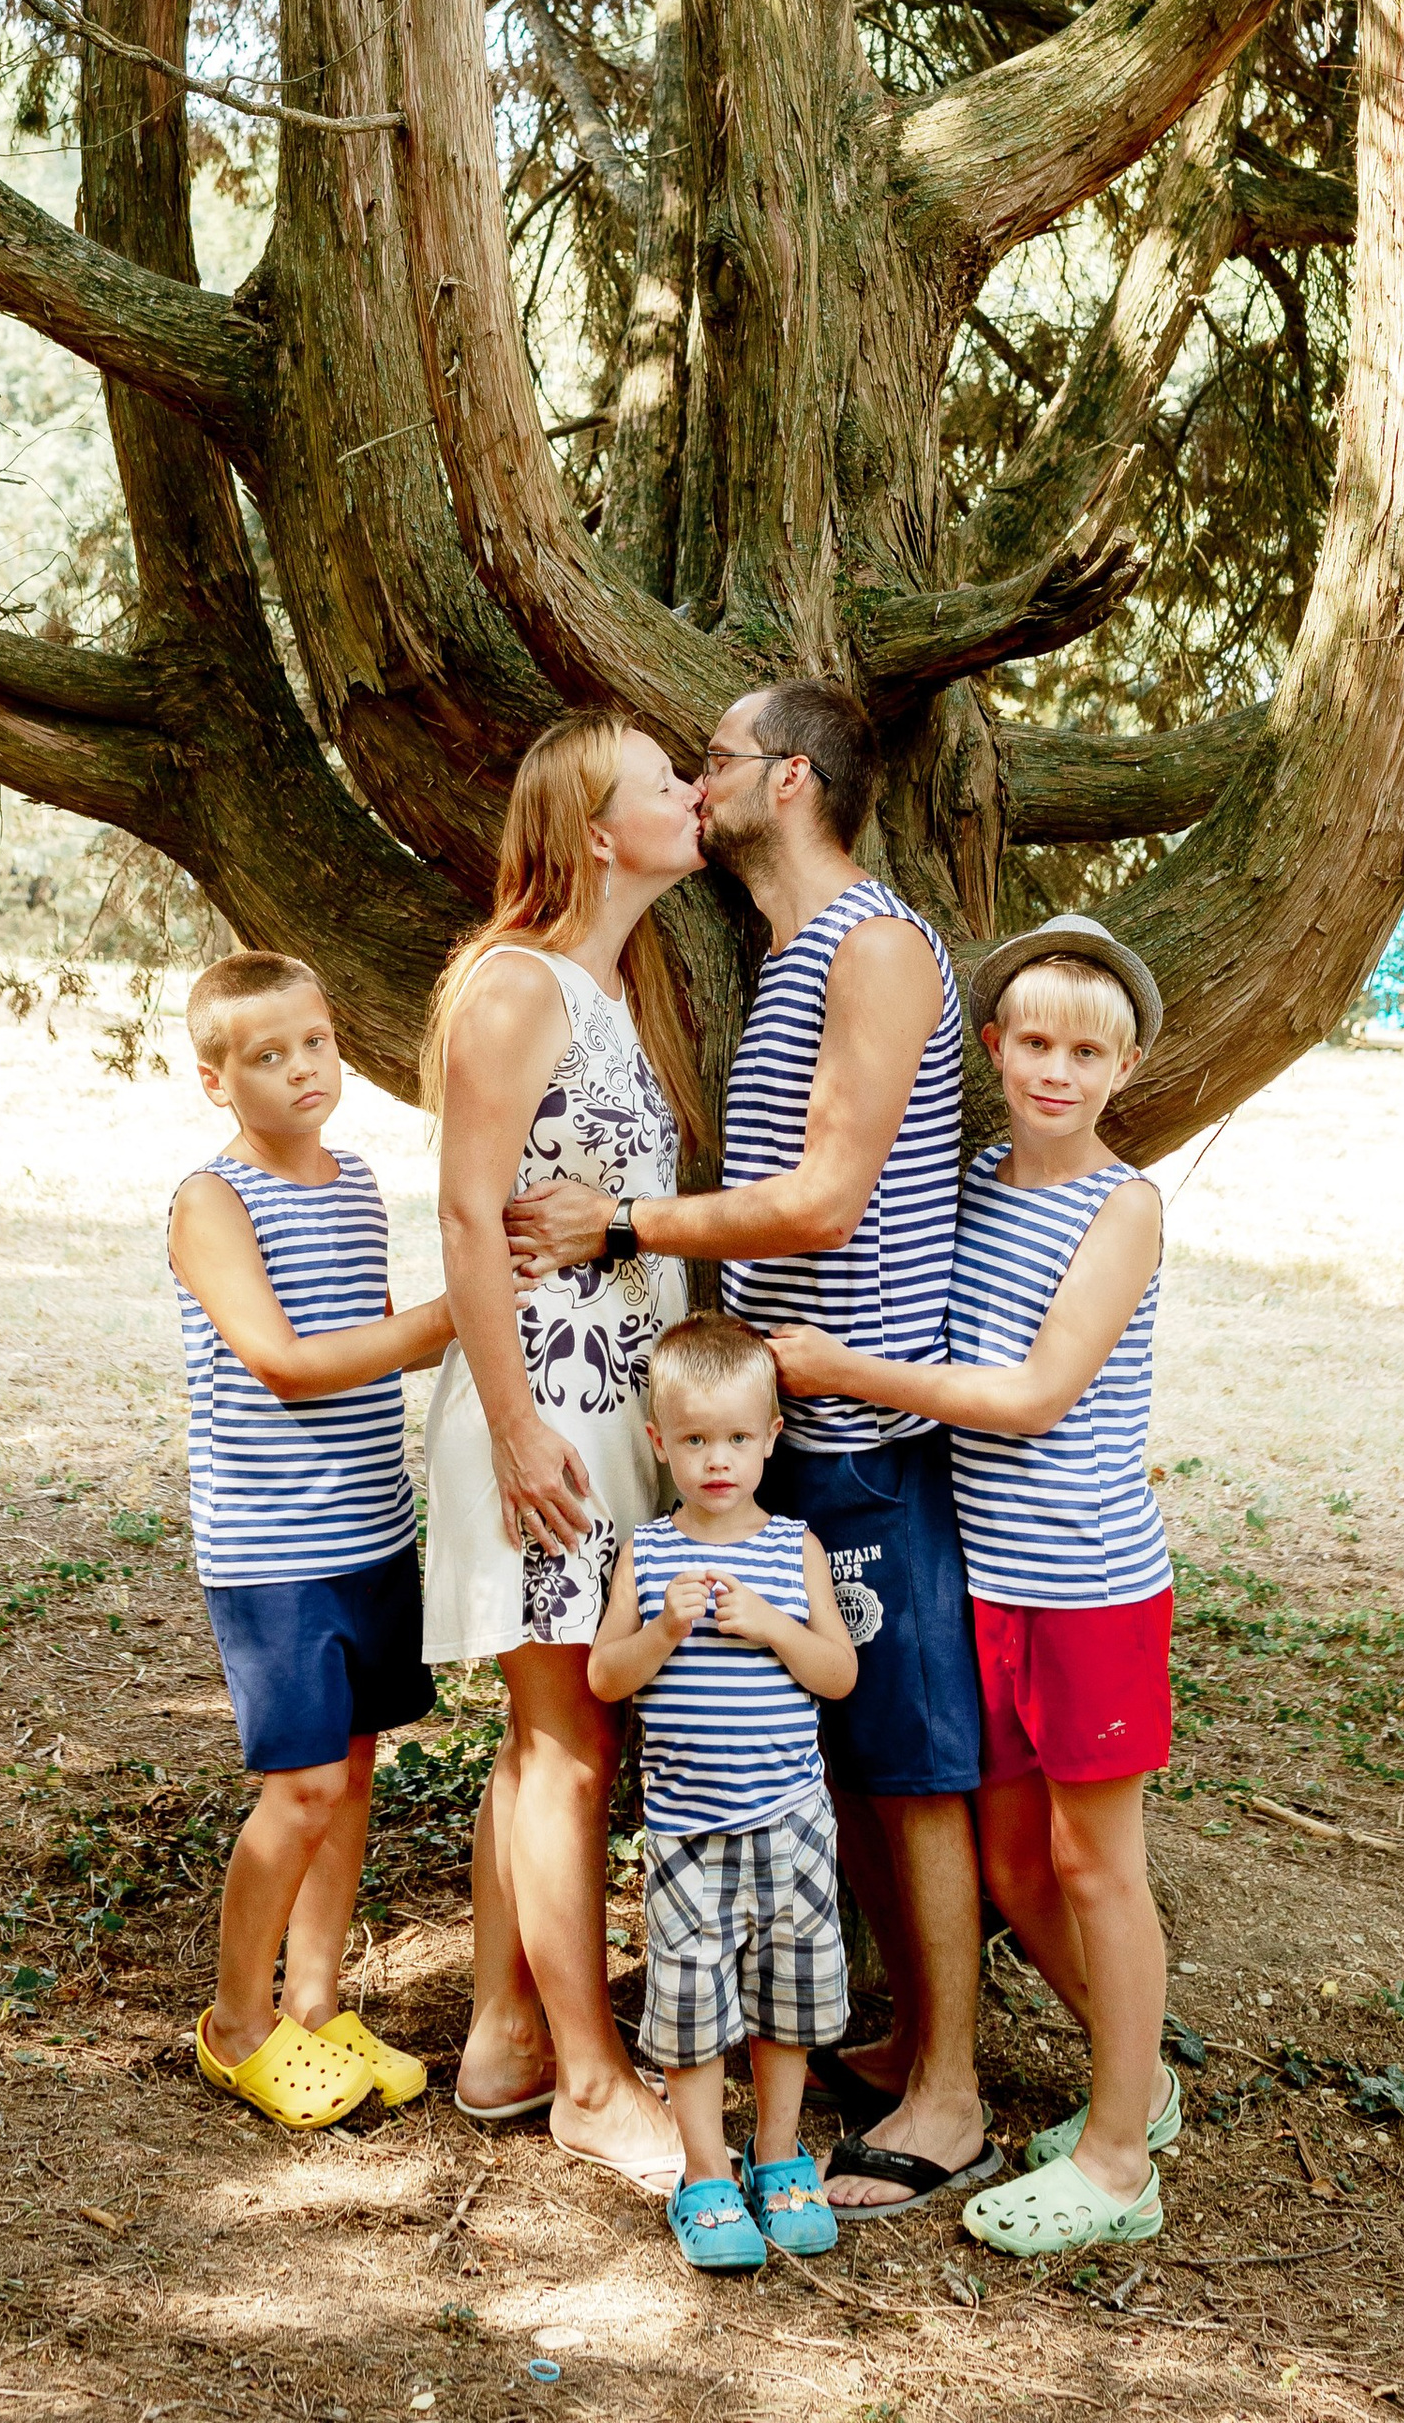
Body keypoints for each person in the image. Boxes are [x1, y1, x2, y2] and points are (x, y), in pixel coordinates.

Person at [507, 679, 990, 2219]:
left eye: (712, 761)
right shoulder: (788, 955)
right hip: (783, 1436)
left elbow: (829, 1201)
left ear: (788, 779)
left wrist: (620, 1225)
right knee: (838, 1751)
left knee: (912, 1765)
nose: (695, 784)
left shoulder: (877, 947)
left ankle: (954, 2096)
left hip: (871, 1428)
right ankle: (896, 2038)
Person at [771, 915, 1176, 2257]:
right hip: (986, 1577)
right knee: (1012, 1860)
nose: (1058, 1071)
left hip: (1087, 1586)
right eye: (1037, 1044)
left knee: (1096, 1866)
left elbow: (1036, 1394)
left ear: (1124, 1068)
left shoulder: (1122, 1208)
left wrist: (843, 1371)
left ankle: (1119, 2158)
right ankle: (1136, 2082)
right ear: (994, 1047)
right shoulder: (978, 1183)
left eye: (1088, 1054)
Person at [421, 711, 705, 2195]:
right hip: (545, 1408)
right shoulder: (518, 984)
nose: (694, 793)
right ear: (597, 831)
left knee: (546, 1737)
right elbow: (467, 1215)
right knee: (569, 1745)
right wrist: (518, 1427)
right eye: (664, 782)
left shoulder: (608, 987)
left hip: (603, 1402)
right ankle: (594, 2086)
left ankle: (504, 2038)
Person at [168, 949, 454, 2131]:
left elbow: (369, 1340)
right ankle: (235, 2028)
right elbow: (284, 1363)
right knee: (299, 1789)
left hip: (369, 1527)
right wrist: (455, 1315)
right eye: (266, 1055)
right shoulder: (210, 1201)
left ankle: (315, 2007)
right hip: (272, 1548)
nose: (301, 1069)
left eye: (316, 1043)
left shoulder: (356, 1182)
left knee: (353, 1772)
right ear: (215, 1080)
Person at [587, 1314, 857, 2275]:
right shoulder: (648, 1553)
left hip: (793, 1825)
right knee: (691, 2001)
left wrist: (776, 1626)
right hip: (688, 1832)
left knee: (790, 1996)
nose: (717, 1459)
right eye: (695, 1438)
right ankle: (703, 2172)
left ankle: (778, 2157)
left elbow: (838, 1675)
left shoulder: (794, 1549)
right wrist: (661, 1630)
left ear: (772, 1438)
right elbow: (605, 1678)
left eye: (738, 1437)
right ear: (659, 1442)